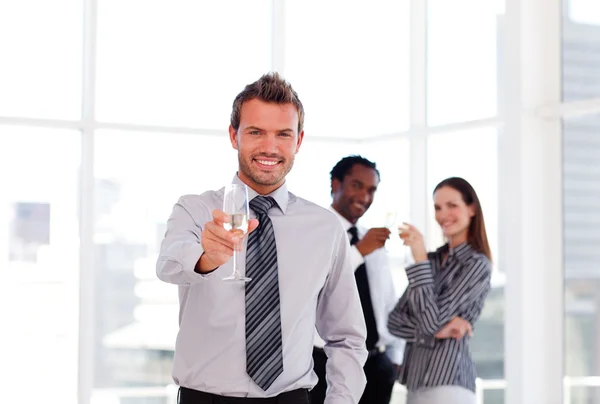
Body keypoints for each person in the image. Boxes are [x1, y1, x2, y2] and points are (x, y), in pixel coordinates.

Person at [156, 72, 368, 404]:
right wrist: (207, 257)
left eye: (283, 134)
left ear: (298, 141)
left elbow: (346, 337)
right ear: (233, 135)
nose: (269, 147)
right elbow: (168, 264)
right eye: (256, 132)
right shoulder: (196, 210)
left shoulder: (325, 228)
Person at [387, 177, 492, 404]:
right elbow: (394, 321)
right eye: (438, 207)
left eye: (452, 205)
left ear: (472, 208)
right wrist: (436, 331)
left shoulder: (475, 264)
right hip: (415, 383)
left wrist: (419, 258)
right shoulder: (432, 262)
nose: (443, 215)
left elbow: (430, 322)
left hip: (449, 383)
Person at [310, 155, 405, 404]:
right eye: (356, 185)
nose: (364, 197)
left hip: (377, 367)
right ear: (335, 184)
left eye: (371, 190)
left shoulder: (372, 241)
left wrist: (395, 358)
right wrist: (359, 252)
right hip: (325, 364)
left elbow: (386, 302)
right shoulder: (314, 233)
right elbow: (312, 289)